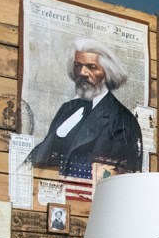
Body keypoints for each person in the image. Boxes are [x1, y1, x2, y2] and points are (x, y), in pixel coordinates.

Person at [28, 38, 142, 176]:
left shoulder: (123, 121)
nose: (82, 73)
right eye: (78, 65)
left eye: (92, 67)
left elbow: (114, 176)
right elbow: (43, 151)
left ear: (107, 73)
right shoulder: (67, 108)